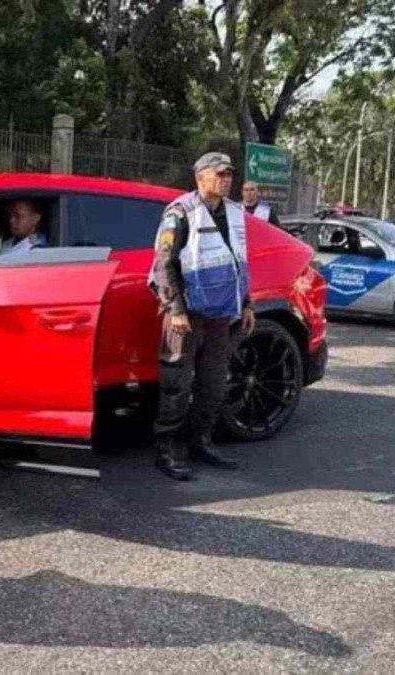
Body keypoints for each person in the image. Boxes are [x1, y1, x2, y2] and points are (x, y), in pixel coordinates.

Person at [148, 152, 256, 481]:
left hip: (221, 315)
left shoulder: (234, 213)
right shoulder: (181, 212)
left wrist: (247, 303)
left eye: (230, 174)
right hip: (186, 315)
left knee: (213, 385)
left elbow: (239, 262)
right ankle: (167, 450)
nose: (227, 179)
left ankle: (199, 441)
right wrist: (175, 309)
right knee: (177, 386)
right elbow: (163, 263)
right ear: (200, 177)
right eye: (220, 174)